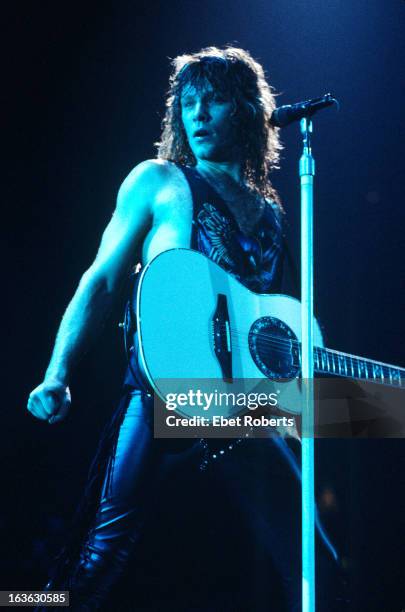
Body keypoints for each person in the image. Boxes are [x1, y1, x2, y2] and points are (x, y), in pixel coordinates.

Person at [27, 46, 340, 611]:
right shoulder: (159, 182)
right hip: (161, 399)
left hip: (243, 410)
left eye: (214, 101)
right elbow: (101, 282)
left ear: (246, 110)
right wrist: (57, 375)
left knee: (315, 558)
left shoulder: (270, 214)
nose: (197, 115)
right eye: (188, 103)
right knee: (95, 563)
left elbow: (272, 328)